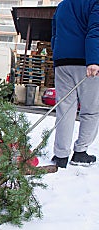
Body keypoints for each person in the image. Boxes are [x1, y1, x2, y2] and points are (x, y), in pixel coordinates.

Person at [51, 0, 99, 168]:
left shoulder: (62, 5)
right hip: (86, 62)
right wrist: (94, 60)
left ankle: (60, 156)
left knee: (64, 109)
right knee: (91, 110)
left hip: (63, 63)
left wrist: (57, 58)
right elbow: (95, 30)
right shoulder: (94, 3)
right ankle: (80, 153)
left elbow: (54, 34)